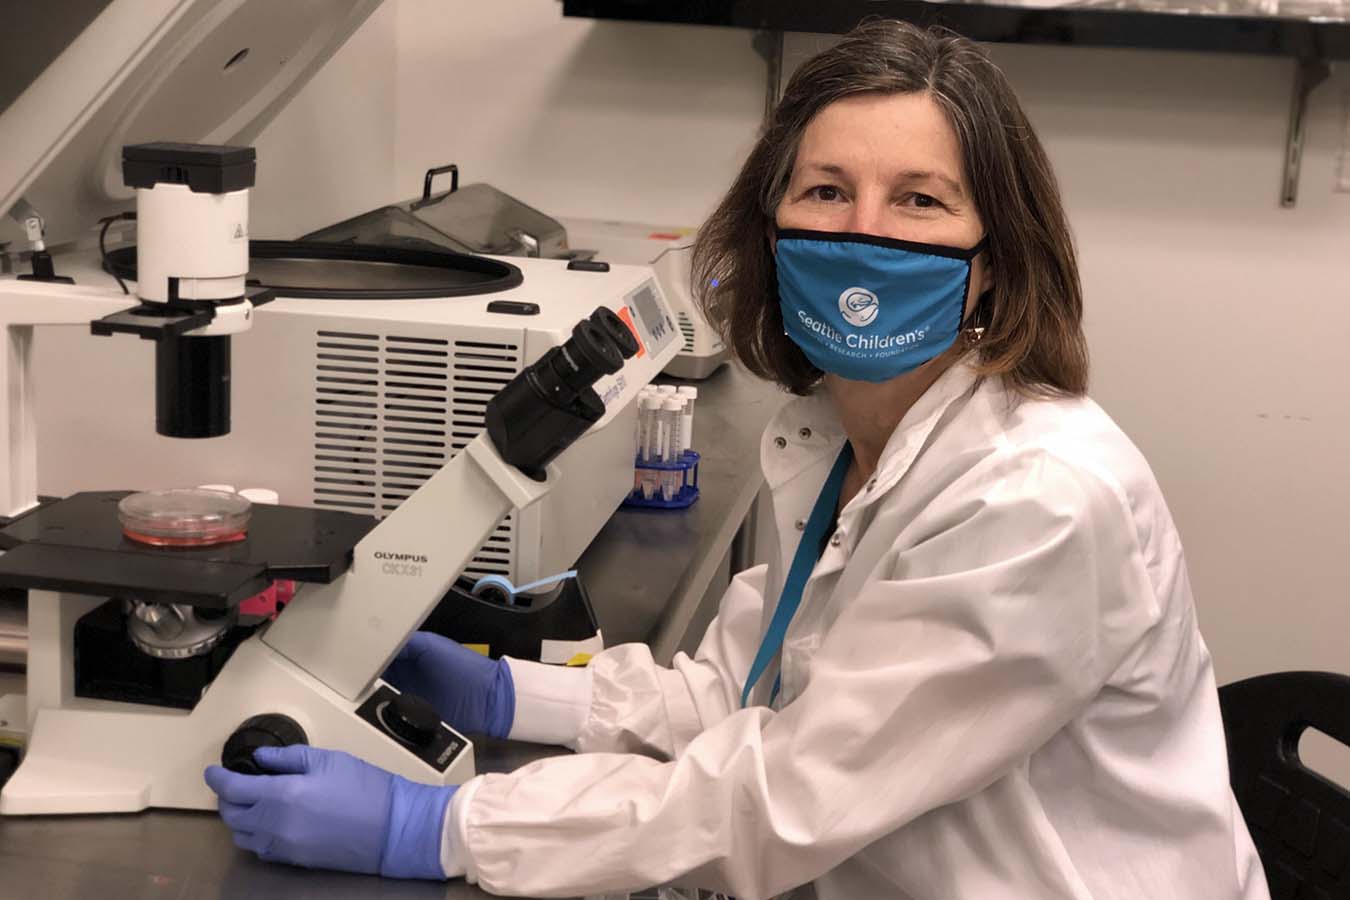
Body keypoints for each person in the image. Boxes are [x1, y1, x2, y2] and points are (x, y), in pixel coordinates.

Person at [205, 20, 1270, 899]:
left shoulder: (1036, 500)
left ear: (994, 264)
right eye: (825, 194)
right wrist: (510, 700)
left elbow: (784, 797)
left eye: (920, 200)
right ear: (770, 233)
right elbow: (747, 699)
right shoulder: (844, 440)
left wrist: (441, 826)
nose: (866, 235)